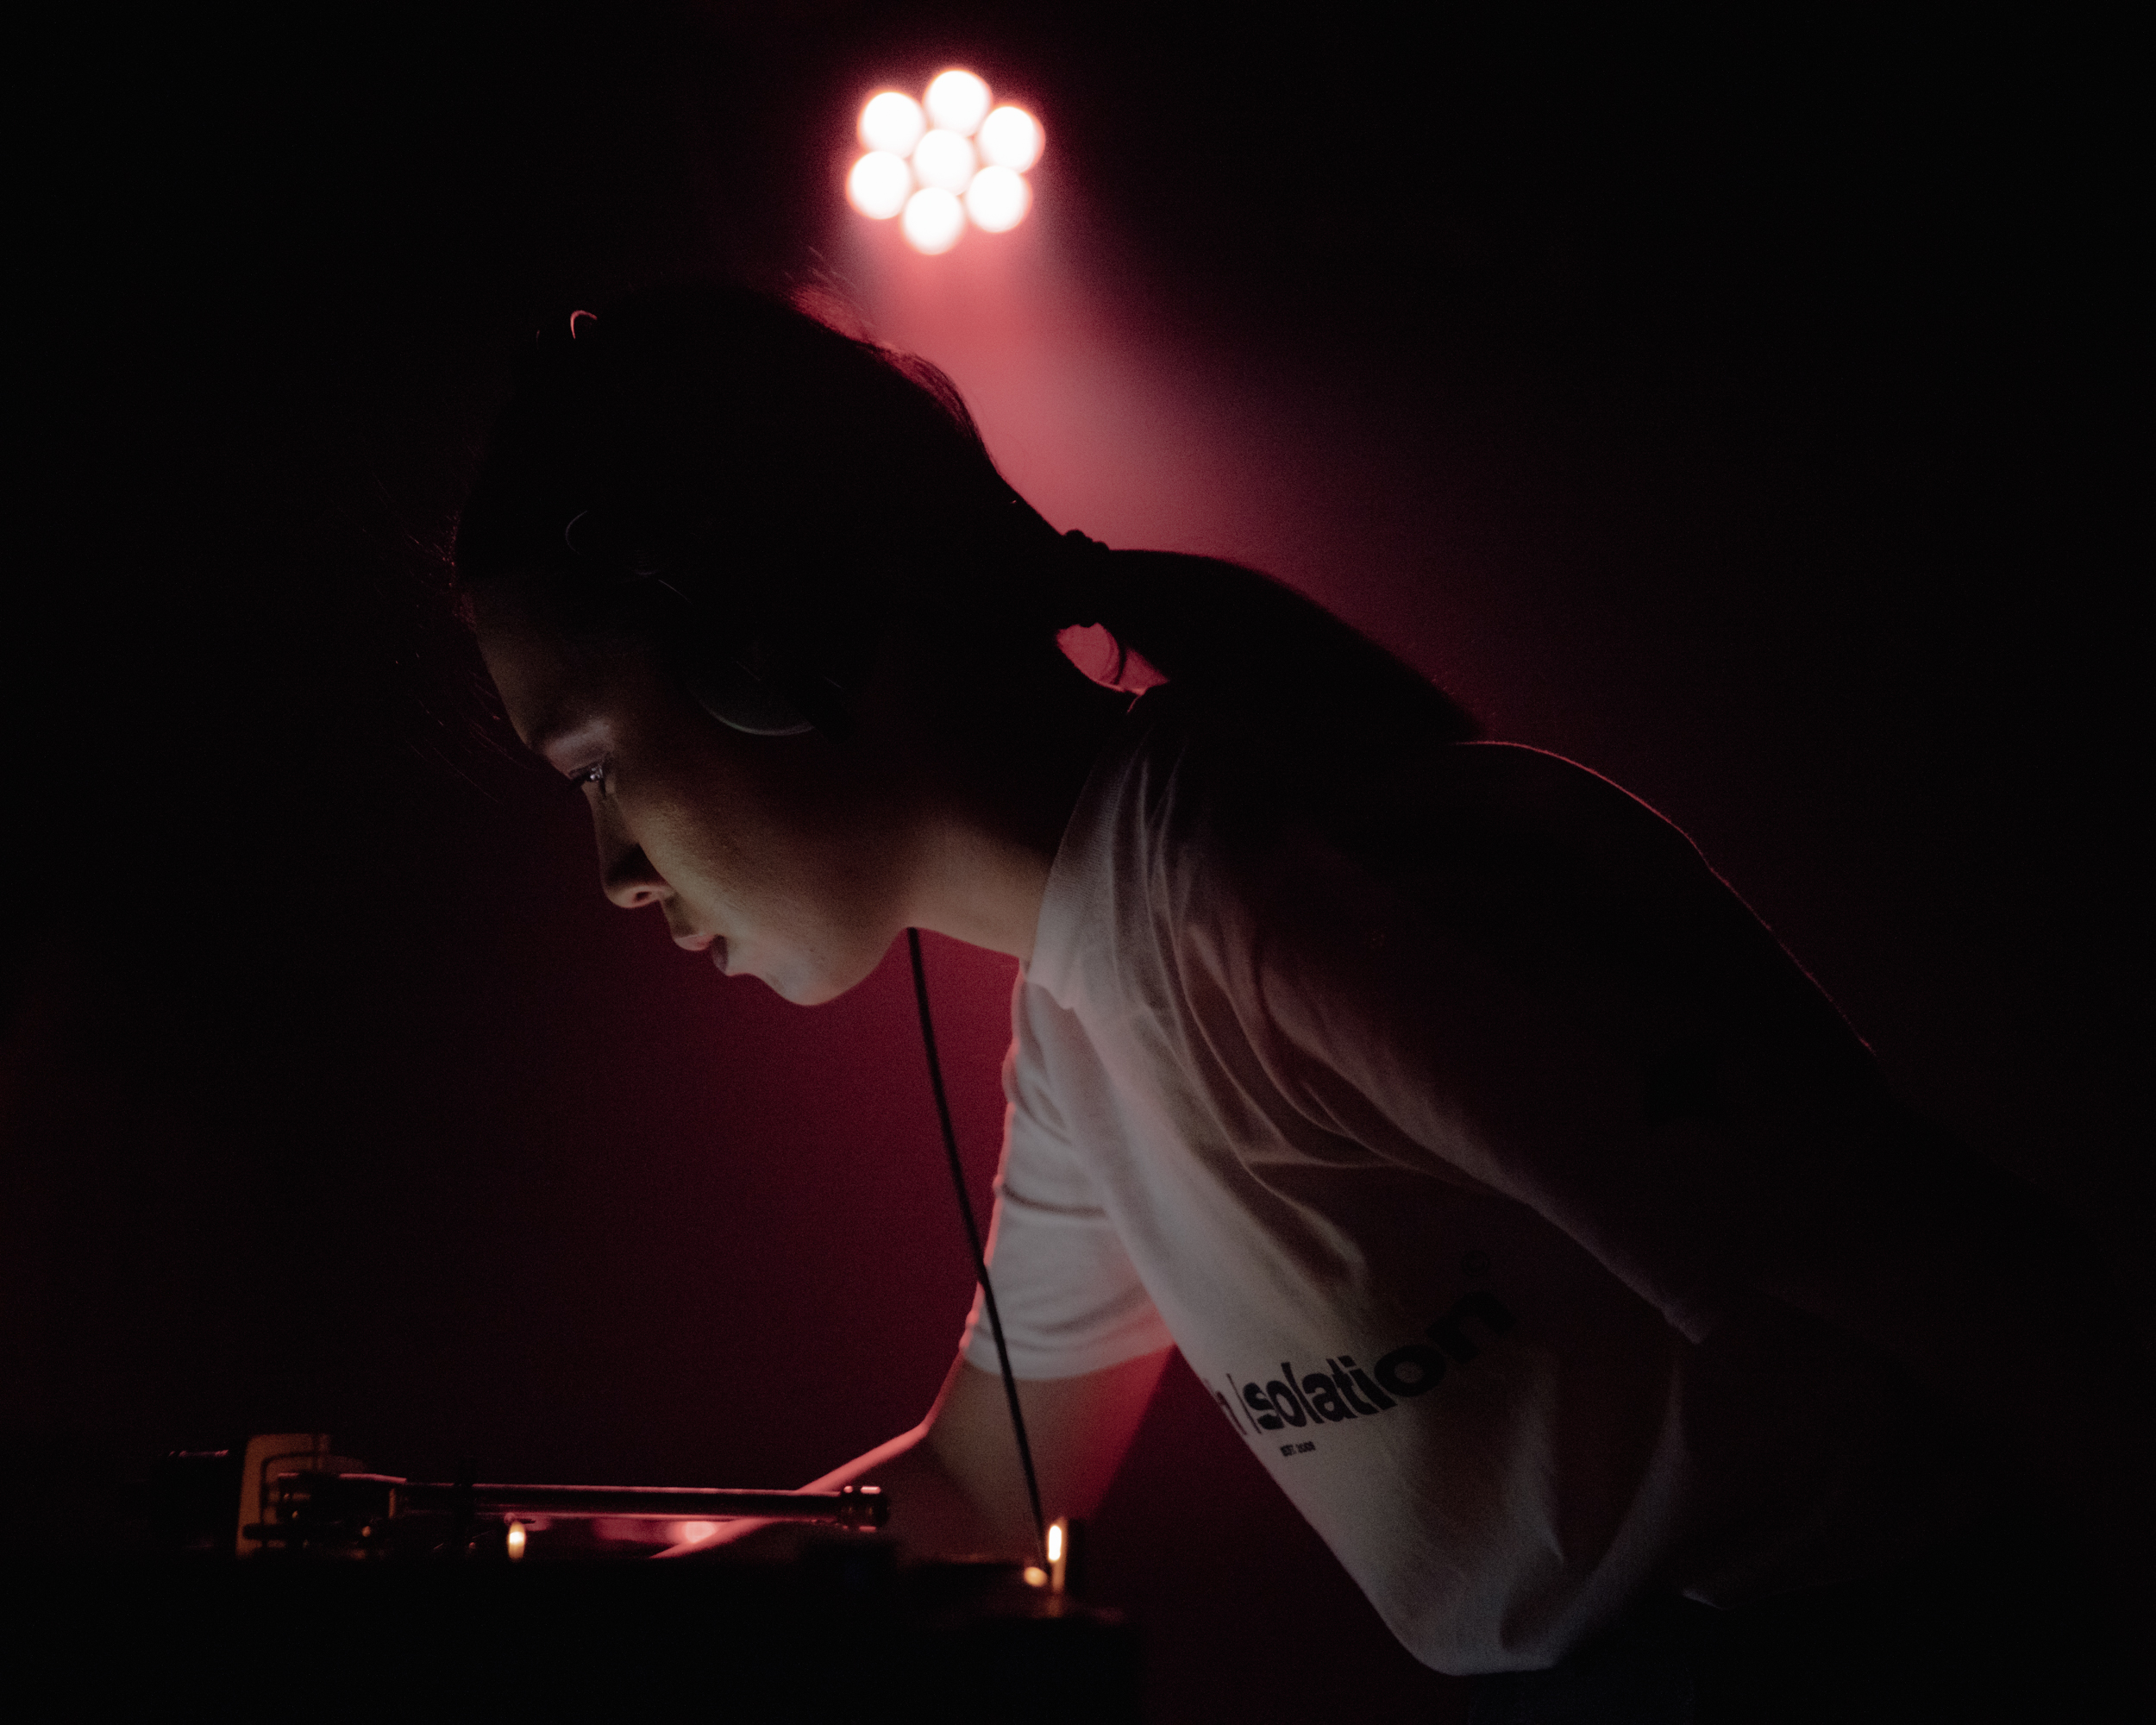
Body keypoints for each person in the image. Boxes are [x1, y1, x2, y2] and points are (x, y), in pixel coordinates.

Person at [454, 282, 2148, 1721]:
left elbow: (1972, 1296)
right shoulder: (1089, 1006)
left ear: (776, 642)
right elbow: (983, 1483)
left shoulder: (1276, 899)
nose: (611, 869)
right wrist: (540, 1569)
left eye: (596, 761)